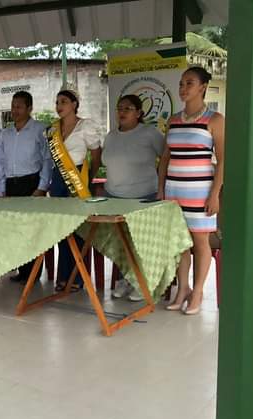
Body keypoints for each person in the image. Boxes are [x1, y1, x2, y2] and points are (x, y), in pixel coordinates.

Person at [158, 66, 225, 315]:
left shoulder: (214, 120)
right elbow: (165, 158)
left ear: (203, 87)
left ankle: (197, 292)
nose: (183, 88)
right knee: (180, 242)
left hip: (200, 191)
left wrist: (215, 194)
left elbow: (223, 160)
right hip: (173, 190)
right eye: (181, 83)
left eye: (189, 83)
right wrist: (160, 188)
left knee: (200, 242)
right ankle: (182, 288)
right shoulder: (174, 120)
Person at [102, 94, 165, 301]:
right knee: (121, 244)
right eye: (119, 108)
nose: (122, 112)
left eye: (127, 109)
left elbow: (166, 158)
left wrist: (161, 187)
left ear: (139, 113)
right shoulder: (111, 136)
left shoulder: (150, 133)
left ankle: (143, 283)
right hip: (114, 197)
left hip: (143, 196)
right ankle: (125, 280)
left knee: (141, 242)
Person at [47, 85, 102, 291]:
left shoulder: (85, 126)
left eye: (63, 102)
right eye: (57, 102)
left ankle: (77, 278)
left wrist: (88, 179)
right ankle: (62, 276)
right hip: (57, 179)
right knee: (61, 229)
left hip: (78, 176)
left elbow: (96, 155)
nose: (59, 106)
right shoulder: (53, 129)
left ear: (74, 104)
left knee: (77, 229)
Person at [2, 90, 52, 283]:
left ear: (29, 108)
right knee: (16, 230)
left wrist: (42, 187)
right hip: (11, 184)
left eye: (19, 106)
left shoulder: (40, 129)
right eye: (13, 106)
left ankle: (33, 273)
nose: (15, 110)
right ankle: (22, 271)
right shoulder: (7, 132)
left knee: (32, 230)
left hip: (31, 183)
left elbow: (47, 159)